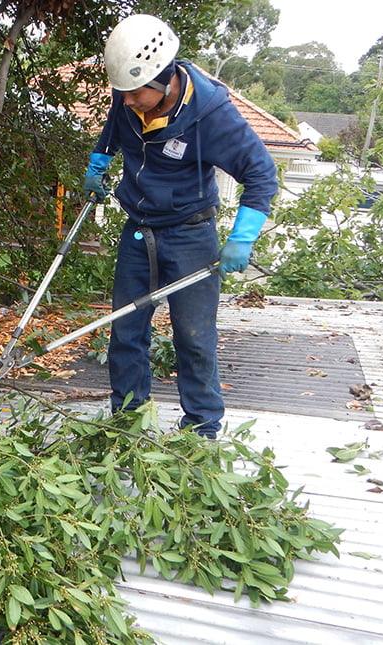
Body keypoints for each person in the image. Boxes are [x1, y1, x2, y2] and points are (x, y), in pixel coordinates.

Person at [83, 14, 278, 439]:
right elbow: (115, 127)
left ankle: (201, 429)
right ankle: (129, 422)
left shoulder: (213, 116)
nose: (127, 101)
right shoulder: (130, 98)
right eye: (122, 93)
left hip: (190, 235)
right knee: (126, 331)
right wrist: (100, 160)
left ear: (165, 78)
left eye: (135, 93)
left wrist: (242, 236)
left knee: (192, 337)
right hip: (138, 230)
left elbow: (262, 174)